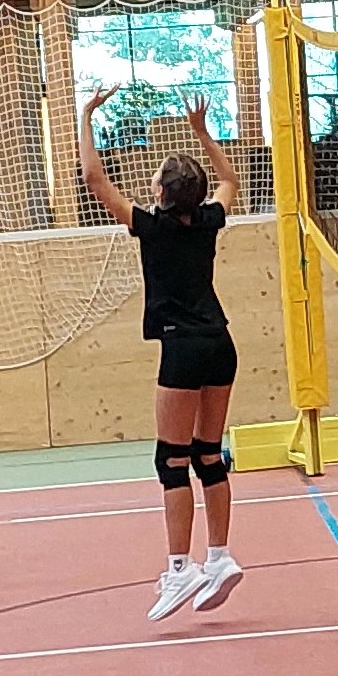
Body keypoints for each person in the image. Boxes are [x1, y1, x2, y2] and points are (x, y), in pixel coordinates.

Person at [80, 91, 249, 621]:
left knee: (171, 460)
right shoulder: (209, 220)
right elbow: (232, 180)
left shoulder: (150, 227)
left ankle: (180, 568)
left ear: (160, 192)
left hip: (182, 347)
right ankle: (218, 557)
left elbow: (94, 180)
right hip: (220, 343)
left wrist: (85, 116)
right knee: (208, 454)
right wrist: (202, 132)